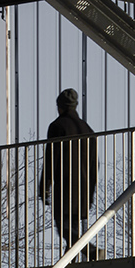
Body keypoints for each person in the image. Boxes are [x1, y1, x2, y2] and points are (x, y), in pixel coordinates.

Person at [41, 87, 99, 256]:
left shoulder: (57, 126)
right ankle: (69, 262)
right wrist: (91, 191)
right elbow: (95, 164)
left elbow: (51, 157)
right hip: (83, 186)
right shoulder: (88, 130)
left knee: (65, 228)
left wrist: (45, 184)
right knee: (72, 227)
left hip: (65, 185)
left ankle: (91, 250)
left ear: (60, 107)